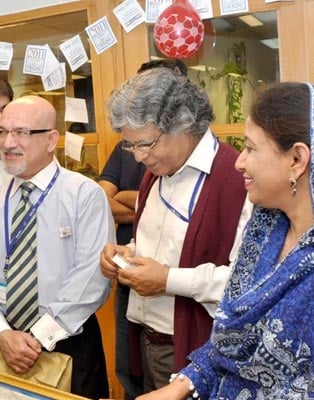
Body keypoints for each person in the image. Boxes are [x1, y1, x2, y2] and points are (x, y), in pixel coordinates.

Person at [140, 82, 314, 399]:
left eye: (251, 148)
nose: (239, 162)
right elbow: (231, 341)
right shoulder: (267, 228)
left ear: (297, 159)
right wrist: (181, 385)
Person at [100, 68, 252, 391]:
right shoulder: (155, 173)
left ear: (183, 123)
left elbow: (244, 284)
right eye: (130, 146)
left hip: (194, 354)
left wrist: (167, 280)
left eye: (146, 144)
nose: (139, 157)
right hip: (144, 344)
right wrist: (127, 255)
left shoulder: (236, 180)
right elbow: (154, 245)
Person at [0, 95, 115, 399]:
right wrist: (2, 333)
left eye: (21, 133)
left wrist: (37, 337)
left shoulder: (84, 195)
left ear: (51, 140)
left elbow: (92, 277)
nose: (7, 143)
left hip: (69, 342)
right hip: (4, 346)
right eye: (2, 132)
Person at [99, 58, 185, 400]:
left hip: (173, 308)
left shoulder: (202, 167)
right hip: (132, 283)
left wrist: (129, 201)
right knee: (130, 370)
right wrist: (128, 248)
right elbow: (105, 198)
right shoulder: (130, 146)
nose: (138, 156)